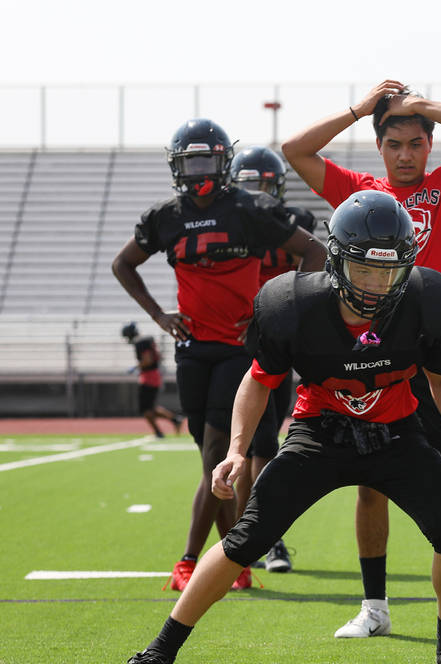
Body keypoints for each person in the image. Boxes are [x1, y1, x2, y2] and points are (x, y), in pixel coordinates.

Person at [121, 191, 441, 664]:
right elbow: (258, 379)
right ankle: (160, 650)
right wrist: (237, 450)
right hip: (321, 432)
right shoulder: (291, 304)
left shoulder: (431, 299)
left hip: (396, 432)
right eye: (363, 269)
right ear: (336, 261)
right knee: (245, 538)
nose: (377, 285)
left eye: (388, 272)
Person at [282, 79, 441, 638]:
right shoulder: (361, 196)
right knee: (369, 485)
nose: (406, 155)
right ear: (379, 147)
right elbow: (296, 151)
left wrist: (420, 105)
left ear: (430, 146)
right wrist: (361, 108)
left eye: (416, 143)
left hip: (438, 364)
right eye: (395, 144)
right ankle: (374, 608)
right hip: (376, 366)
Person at [111, 118, 326, 593]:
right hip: (191, 349)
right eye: (192, 161)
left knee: (215, 459)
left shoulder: (248, 209)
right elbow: (122, 263)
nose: (200, 170)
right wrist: (158, 315)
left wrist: (278, 311)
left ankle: (190, 560)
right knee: (214, 464)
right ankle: (238, 562)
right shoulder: (166, 216)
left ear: (224, 162)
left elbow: (313, 252)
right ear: (177, 166)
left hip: (238, 349)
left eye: (208, 159)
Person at [226, 145, 319, 573]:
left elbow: (314, 261)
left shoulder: (293, 220)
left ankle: (263, 533)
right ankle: (258, 534)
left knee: (270, 440)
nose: (258, 193)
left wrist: (289, 308)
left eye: (264, 185)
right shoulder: (234, 220)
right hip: (240, 335)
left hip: (280, 332)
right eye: (250, 185)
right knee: (251, 443)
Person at [121, 321, 183, 438]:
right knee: (149, 407)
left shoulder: (140, 342)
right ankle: (173, 420)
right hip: (154, 375)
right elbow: (157, 356)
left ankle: (160, 431)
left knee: (145, 409)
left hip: (149, 377)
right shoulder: (147, 340)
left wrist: (136, 367)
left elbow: (147, 360)